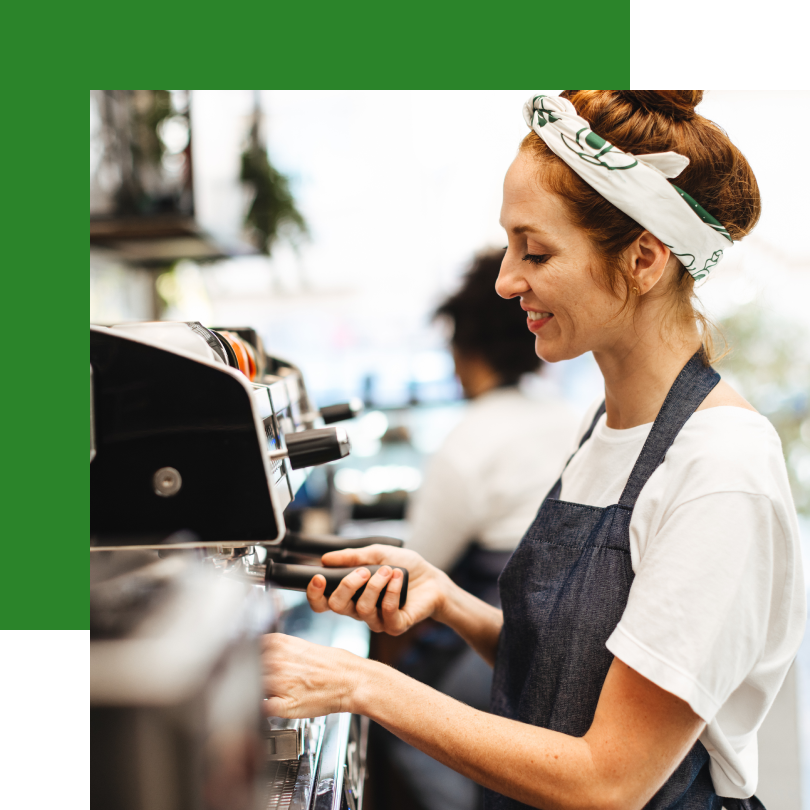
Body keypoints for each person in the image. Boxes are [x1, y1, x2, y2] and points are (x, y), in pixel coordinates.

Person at [261, 91, 806, 810]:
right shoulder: (604, 428)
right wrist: (450, 602)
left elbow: (608, 778)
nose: (506, 280)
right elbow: (570, 677)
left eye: (536, 250)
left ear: (644, 258)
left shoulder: (719, 468)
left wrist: (360, 683)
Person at [386, 251, 579, 810]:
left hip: (499, 643)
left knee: (411, 734)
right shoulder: (572, 416)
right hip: (569, 643)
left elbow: (412, 571)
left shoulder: (468, 440)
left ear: (463, 348)